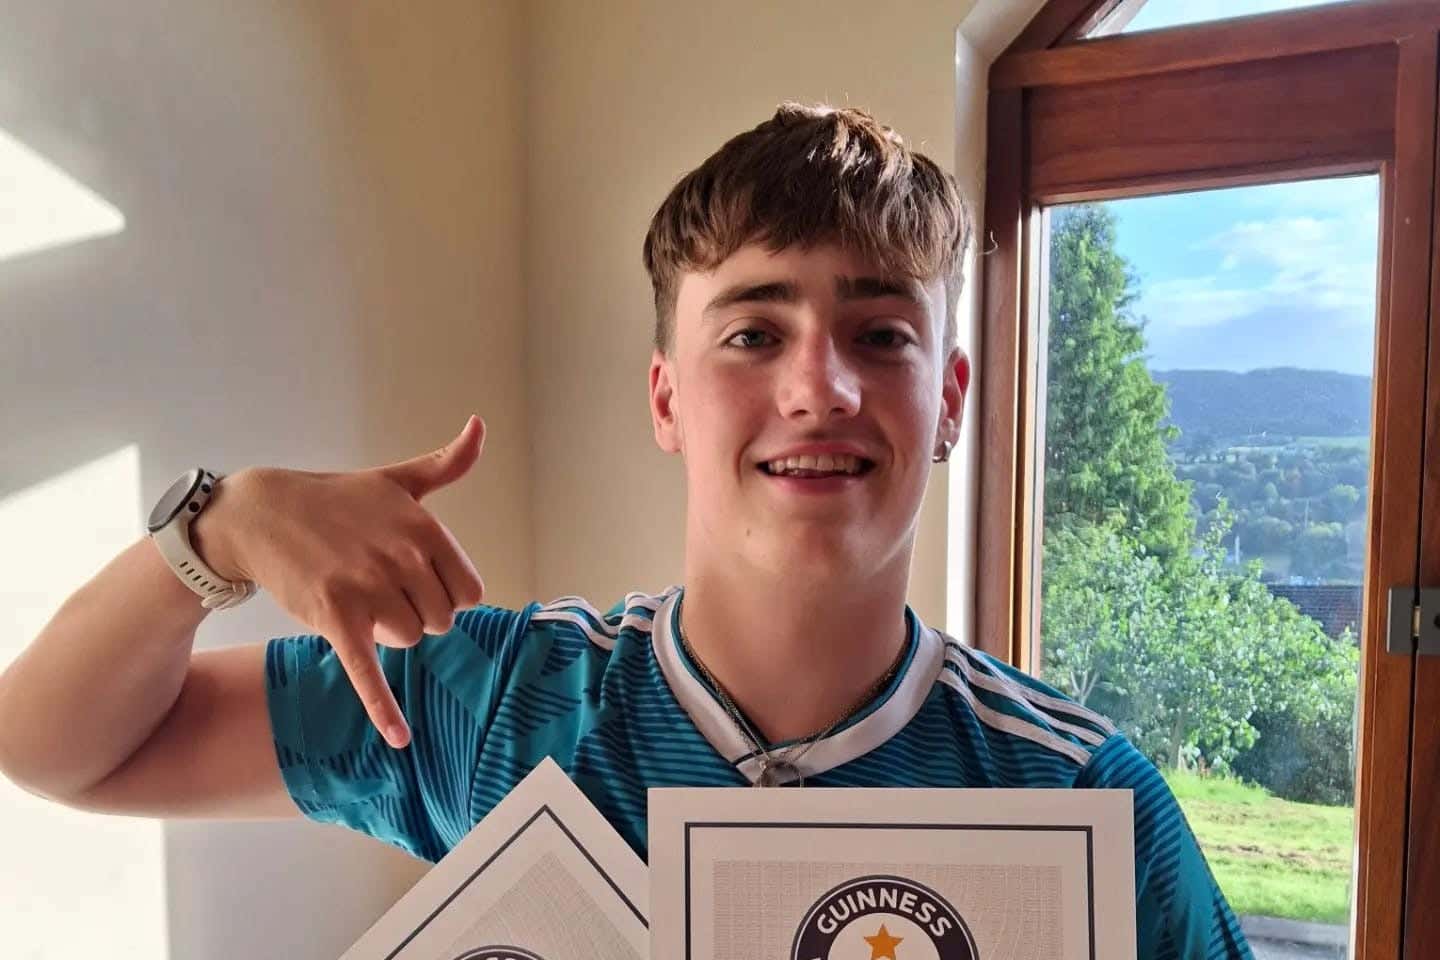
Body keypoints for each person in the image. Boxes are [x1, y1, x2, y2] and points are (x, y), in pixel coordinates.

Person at [0, 103, 1251, 959]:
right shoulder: (497, 705)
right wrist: (219, 532)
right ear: (666, 395)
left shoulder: (1084, 807)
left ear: (952, 403)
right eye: (753, 332)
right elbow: (58, 747)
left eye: (882, 334)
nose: (820, 387)